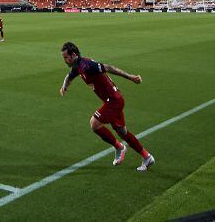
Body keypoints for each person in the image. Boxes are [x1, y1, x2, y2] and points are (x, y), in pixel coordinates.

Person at [59, 41, 154, 171]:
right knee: (122, 132)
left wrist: (131, 77)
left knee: (94, 123)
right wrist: (64, 86)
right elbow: (69, 76)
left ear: (74, 55)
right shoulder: (77, 66)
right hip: (113, 100)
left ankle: (119, 147)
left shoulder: (87, 65)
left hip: (113, 101)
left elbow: (109, 68)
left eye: (65, 57)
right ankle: (147, 157)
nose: (64, 60)